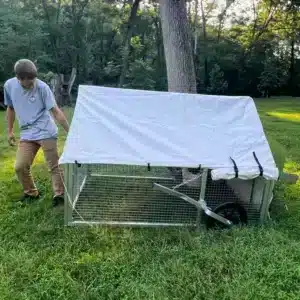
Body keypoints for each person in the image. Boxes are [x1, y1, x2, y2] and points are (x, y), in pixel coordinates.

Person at [4, 59, 69, 207]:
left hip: (46, 131)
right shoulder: (9, 86)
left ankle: (59, 195)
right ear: (20, 78)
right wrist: (9, 131)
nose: (33, 83)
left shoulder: (42, 87)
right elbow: (11, 108)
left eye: (34, 79)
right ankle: (31, 193)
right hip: (27, 133)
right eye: (29, 80)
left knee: (54, 165)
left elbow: (55, 111)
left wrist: (69, 131)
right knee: (20, 166)